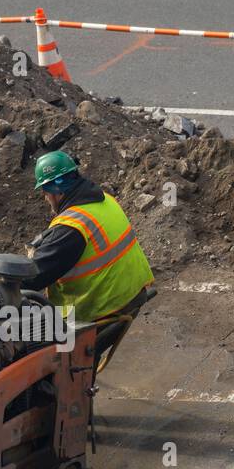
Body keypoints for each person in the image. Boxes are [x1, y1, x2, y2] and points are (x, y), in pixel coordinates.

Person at [25, 151, 155, 366]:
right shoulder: (103, 199)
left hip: (104, 309)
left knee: (39, 355)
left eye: (45, 192)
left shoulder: (71, 228)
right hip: (131, 294)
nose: (45, 198)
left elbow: (34, 276)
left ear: (55, 191)